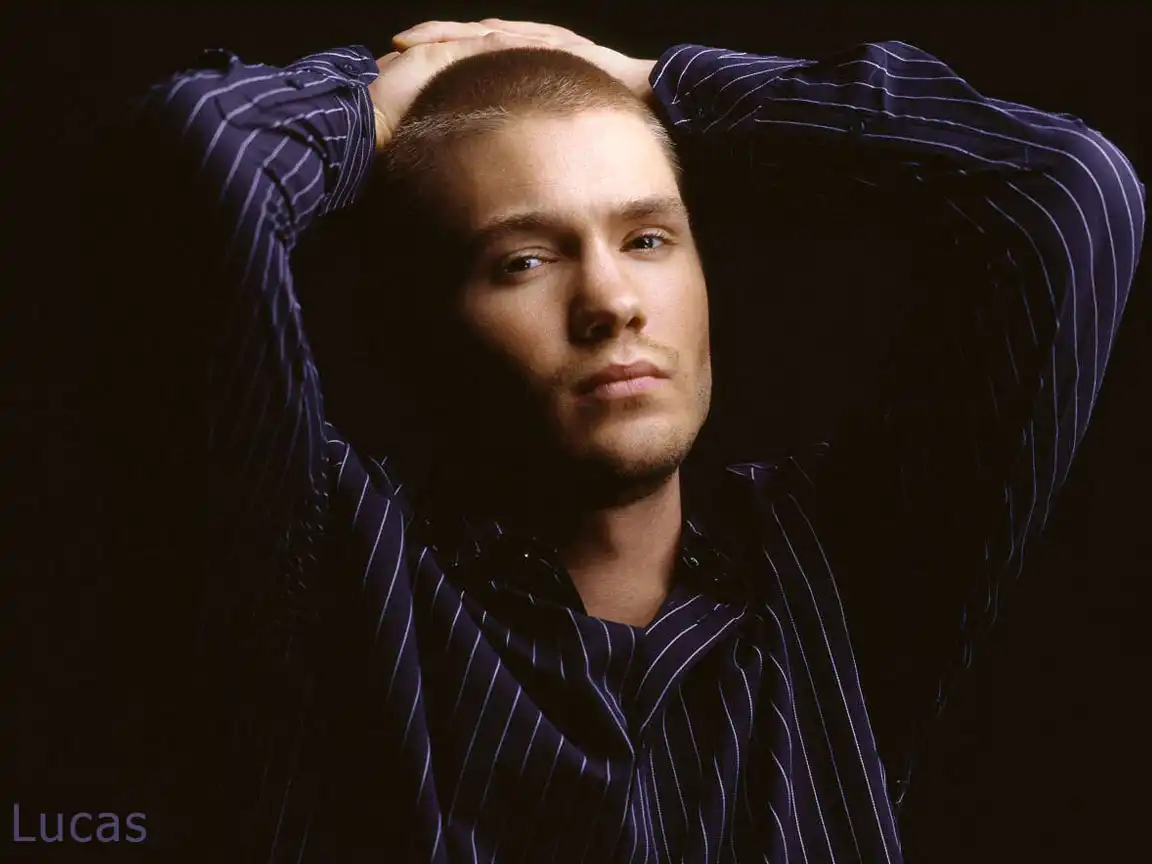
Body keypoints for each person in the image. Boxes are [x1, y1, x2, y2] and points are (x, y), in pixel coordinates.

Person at [96, 16, 1141, 863]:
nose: (611, 302)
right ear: (419, 328)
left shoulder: (838, 579)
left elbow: (1068, 190)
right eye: (524, 260)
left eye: (646, 238)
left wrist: (659, 83)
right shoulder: (327, 575)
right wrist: (374, 107)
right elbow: (207, 155)